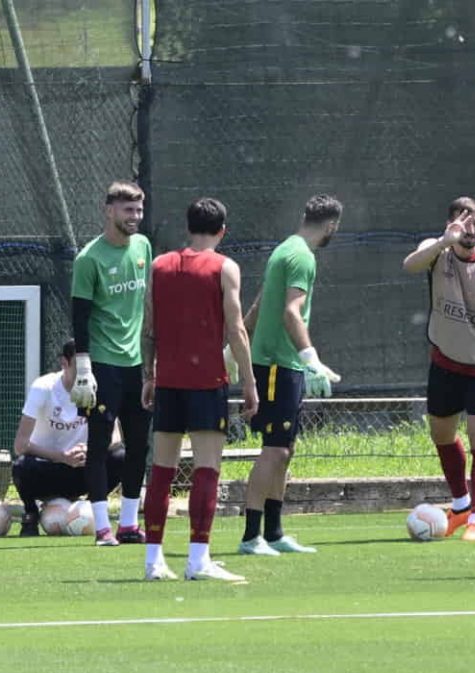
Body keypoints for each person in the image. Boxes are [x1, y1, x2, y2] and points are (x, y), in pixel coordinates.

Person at [140, 198, 258, 581]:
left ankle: (153, 561)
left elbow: (148, 327)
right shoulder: (225, 267)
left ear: (188, 227)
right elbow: (236, 328)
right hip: (206, 382)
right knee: (207, 468)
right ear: (222, 231)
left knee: (162, 471)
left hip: (168, 381)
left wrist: (148, 376)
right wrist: (250, 381)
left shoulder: (159, 266)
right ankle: (198, 559)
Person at [402, 197, 475, 541]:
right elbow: (409, 266)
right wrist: (444, 241)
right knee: (442, 435)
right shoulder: (437, 252)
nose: (471, 230)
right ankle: (461, 503)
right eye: (465, 223)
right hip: (444, 361)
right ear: (451, 224)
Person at [238, 194, 343, 557]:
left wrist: (237, 345)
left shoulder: (285, 250)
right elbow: (290, 312)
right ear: (331, 225)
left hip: (283, 365)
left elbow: (260, 303)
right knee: (274, 449)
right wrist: (311, 358)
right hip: (276, 365)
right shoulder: (301, 256)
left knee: (285, 450)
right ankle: (251, 537)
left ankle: (274, 532)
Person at [69, 181, 153, 546]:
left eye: (138, 210)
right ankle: (102, 527)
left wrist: (152, 358)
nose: (135, 216)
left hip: (136, 366)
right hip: (103, 365)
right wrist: (83, 367)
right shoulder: (89, 258)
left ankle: (129, 524)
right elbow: (79, 316)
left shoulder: (143, 246)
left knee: (139, 446)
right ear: (109, 211)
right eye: (127, 210)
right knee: (100, 444)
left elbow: (148, 305)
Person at [12, 340, 124, 536]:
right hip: (48, 469)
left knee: (120, 457)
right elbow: (20, 445)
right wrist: (62, 457)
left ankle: (88, 510)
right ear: (64, 363)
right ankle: (31, 515)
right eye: (81, 366)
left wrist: (91, 450)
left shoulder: (99, 387)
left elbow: (115, 437)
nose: (86, 373)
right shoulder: (43, 388)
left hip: (86, 469)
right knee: (21, 466)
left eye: (90, 366)